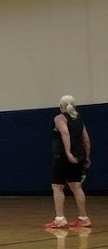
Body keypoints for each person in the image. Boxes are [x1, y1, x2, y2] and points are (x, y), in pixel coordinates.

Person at [46, 95, 91, 230]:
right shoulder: (79, 120)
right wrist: (87, 156)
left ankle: (60, 218)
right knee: (76, 186)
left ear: (61, 106)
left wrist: (68, 153)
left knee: (57, 187)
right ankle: (83, 218)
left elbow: (65, 134)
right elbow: (86, 140)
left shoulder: (60, 118)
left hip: (64, 156)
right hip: (80, 156)